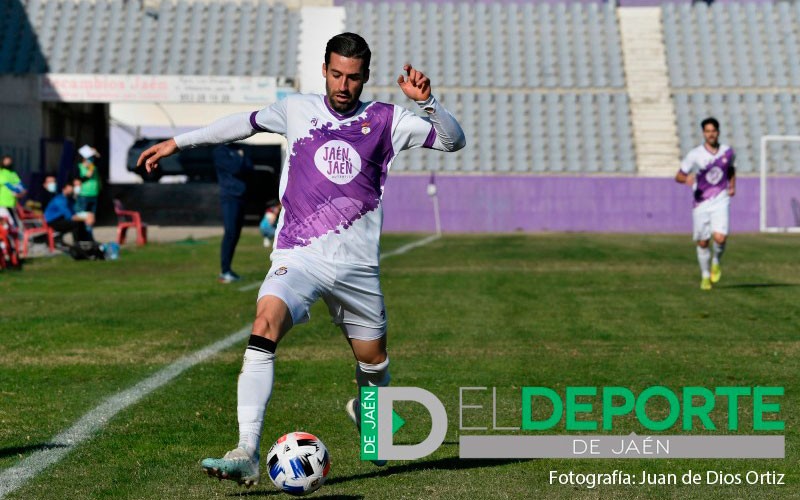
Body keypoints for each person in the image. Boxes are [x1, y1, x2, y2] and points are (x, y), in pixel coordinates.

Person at [138, 32, 465, 487]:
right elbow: (241, 124)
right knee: (264, 324)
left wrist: (429, 103)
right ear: (325, 71)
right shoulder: (296, 110)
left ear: (366, 77)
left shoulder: (387, 120)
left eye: (353, 77)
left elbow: (452, 141)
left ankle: (372, 421)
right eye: (336, 74)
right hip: (300, 255)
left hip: (357, 268)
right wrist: (178, 143)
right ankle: (246, 451)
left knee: (373, 361)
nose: (343, 85)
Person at [675, 117, 736, 290]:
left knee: (720, 237)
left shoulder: (727, 151)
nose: (711, 134)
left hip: (721, 199)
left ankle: (716, 261)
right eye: (707, 131)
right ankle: (704, 276)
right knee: (703, 242)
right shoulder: (695, 154)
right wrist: (687, 178)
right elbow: (678, 176)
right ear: (704, 133)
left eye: (713, 131)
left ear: (718, 132)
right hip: (701, 202)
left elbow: (731, 169)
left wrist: (732, 186)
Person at [213, 144, 253, 283]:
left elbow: (249, 168)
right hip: (229, 197)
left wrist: (240, 157)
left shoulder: (240, 149)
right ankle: (224, 271)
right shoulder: (220, 151)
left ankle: (228, 270)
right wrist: (239, 157)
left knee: (235, 234)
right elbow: (235, 168)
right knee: (230, 233)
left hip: (242, 196)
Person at [44, 179, 95, 245]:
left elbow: (74, 213)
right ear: (64, 189)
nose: (72, 189)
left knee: (82, 221)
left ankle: (87, 241)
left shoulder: (69, 199)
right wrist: (85, 217)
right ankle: (77, 243)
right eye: (70, 188)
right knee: (75, 223)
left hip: (61, 219)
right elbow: (70, 217)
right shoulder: (60, 199)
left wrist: (87, 216)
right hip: (53, 222)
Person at [0, 155, 26, 229]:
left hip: (12, 202)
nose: (8, 162)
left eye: (9, 161)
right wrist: (18, 191)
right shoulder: (1, 172)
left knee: (12, 224)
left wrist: (22, 191)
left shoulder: (13, 173)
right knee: (6, 224)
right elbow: (8, 185)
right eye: (6, 161)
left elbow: (20, 184)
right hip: (2, 203)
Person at [75, 145, 101, 216]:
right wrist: (87, 175)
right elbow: (77, 180)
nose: (91, 160)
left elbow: (101, 161)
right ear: (84, 159)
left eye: (92, 158)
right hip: (83, 195)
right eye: (89, 158)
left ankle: (89, 227)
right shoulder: (79, 167)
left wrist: (95, 153)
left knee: (92, 217)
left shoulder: (93, 167)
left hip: (94, 194)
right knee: (83, 216)